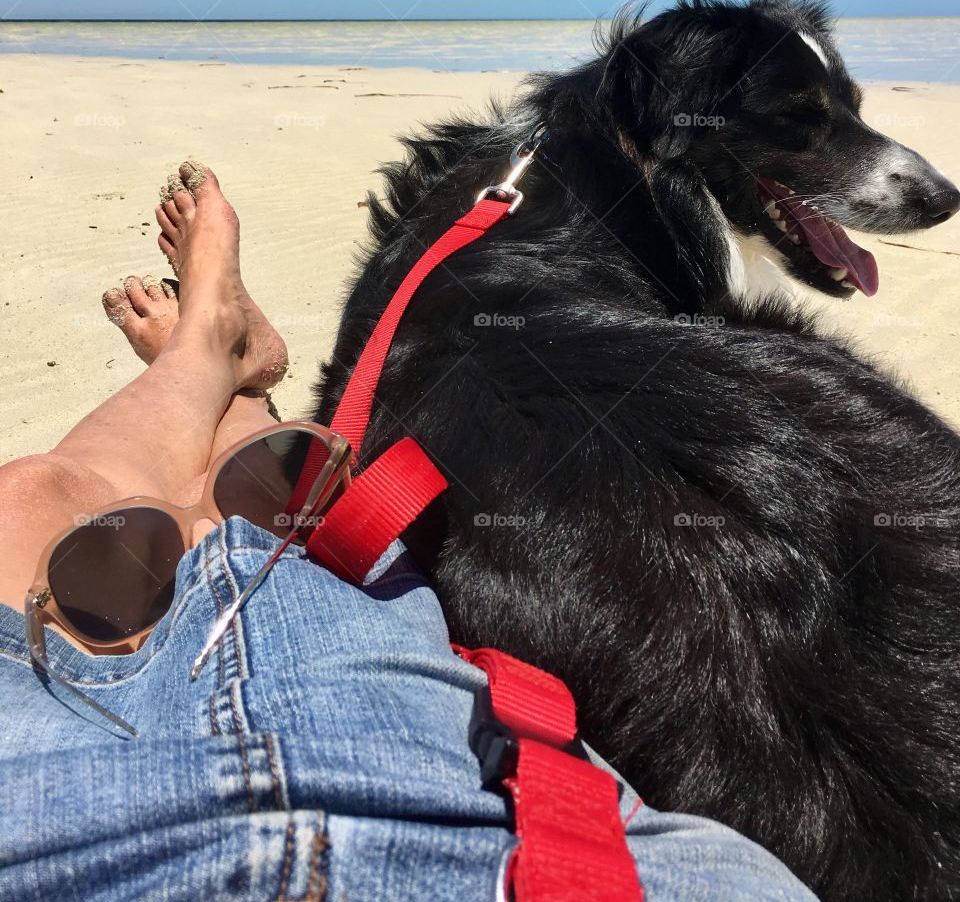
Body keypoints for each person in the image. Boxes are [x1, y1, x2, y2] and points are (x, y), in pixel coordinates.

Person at [0, 160, 818, 901]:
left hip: (36, 816)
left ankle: (212, 354)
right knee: (254, 521)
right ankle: (229, 370)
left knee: (36, 501)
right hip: (450, 798)